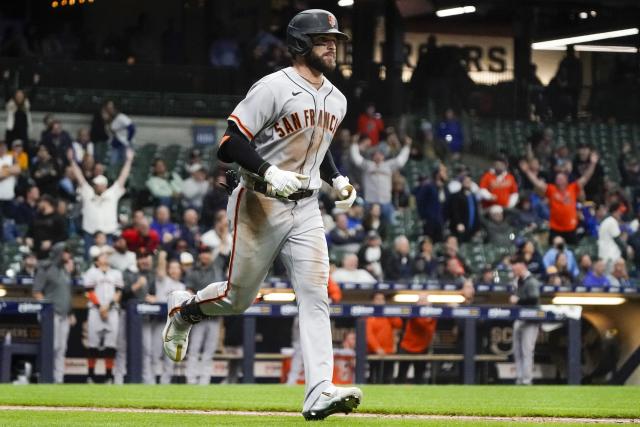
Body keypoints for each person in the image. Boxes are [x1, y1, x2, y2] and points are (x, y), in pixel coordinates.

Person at [161, 9, 361, 420]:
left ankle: (319, 390)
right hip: (259, 200)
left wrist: (337, 179)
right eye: (324, 40)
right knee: (238, 299)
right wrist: (268, 172)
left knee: (315, 296)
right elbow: (228, 143)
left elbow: (317, 151)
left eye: (335, 40)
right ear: (302, 44)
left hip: (306, 206)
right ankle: (185, 310)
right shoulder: (273, 87)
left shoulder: (337, 100)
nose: (332, 46)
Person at [68, 148, 134, 258]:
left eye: (102, 185)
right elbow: (80, 177)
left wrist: (129, 161)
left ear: (105, 186)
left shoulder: (112, 194)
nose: (99, 187)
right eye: (97, 185)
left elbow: (122, 178)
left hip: (108, 233)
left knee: (108, 259)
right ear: (94, 185)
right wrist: (71, 161)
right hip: (90, 233)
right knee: (89, 258)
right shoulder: (88, 192)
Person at [520, 152, 598, 245]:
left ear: (566, 179)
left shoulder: (573, 188)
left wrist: (593, 164)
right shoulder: (551, 189)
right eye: (558, 178)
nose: (559, 179)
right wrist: (527, 171)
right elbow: (537, 183)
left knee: (573, 250)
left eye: (562, 178)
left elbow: (586, 177)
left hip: (571, 228)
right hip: (555, 228)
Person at [32, 243, 75, 384]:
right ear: (58, 253)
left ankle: (58, 379)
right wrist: (46, 308)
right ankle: (46, 376)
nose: (68, 255)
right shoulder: (45, 268)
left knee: (62, 347)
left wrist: (70, 312)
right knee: (53, 346)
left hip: (64, 315)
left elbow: (67, 294)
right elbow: (36, 292)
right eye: (65, 252)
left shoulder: (65, 270)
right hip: (51, 314)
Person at [184, 246, 224, 385]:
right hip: (199, 314)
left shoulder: (217, 268)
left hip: (215, 314)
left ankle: (205, 379)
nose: (205, 256)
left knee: (210, 349)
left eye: (207, 254)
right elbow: (188, 290)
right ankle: (191, 378)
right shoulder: (193, 271)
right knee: (195, 348)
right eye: (203, 254)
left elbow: (224, 250)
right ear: (200, 256)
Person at [83, 249, 124, 383]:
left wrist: (108, 306)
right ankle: (90, 375)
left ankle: (108, 376)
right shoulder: (91, 272)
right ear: (96, 259)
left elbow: (118, 292)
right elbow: (88, 292)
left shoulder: (116, 273)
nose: (106, 257)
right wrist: (100, 307)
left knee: (111, 345)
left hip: (112, 310)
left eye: (107, 255)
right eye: (102, 255)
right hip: (95, 310)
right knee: (93, 344)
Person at [350, 134, 411, 222]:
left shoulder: (389, 165)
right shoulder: (367, 165)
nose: (378, 156)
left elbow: (401, 160)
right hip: (369, 202)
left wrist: (407, 146)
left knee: (392, 224)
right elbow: (356, 158)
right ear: (373, 156)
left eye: (380, 154)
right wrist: (354, 144)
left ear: (383, 156)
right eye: (376, 154)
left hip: (385, 203)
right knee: (365, 223)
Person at [148, 251, 186, 384]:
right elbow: (160, 271)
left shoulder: (182, 286)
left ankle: (166, 383)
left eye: (177, 268)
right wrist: (163, 256)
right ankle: (150, 381)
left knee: (169, 356)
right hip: (159, 323)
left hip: (174, 326)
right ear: (168, 269)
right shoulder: (163, 281)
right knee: (154, 354)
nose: (174, 270)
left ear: (181, 270)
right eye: (172, 267)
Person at [510, 255, 541, 385]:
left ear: (522, 266)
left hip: (531, 319)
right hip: (520, 318)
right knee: (517, 350)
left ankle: (527, 380)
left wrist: (518, 300)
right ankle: (519, 378)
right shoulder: (518, 281)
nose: (514, 271)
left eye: (515, 268)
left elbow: (534, 299)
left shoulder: (531, 280)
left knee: (527, 350)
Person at [396, 294, 437, 384]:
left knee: (419, 376)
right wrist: (427, 317)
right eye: (421, 301)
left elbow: (430, 330)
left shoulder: (433, 315)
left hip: (422, 348)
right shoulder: (413, 313)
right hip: (407, 347)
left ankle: (419, 396)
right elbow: (422, 325)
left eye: (425, 300)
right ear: (417, 303)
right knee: (401, 376)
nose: (423, 303)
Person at [366, 292, 402, 384]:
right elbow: (369, 335)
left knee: (387, 378)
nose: (380, 301)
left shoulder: (388, 315)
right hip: (374, 352)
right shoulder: (369, 316)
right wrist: (377, 348)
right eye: (377, 299)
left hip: (389, 351)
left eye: (382, 299)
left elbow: (398, 324)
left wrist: (391, 313)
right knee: (374, 377)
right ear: (373, 301)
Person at [598, 202, 628, 270]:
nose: (621, 214)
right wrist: (625, 255)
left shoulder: (607, 220)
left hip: (605, 256)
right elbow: (619, 242)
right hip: (611, 258)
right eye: (619, 211)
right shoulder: (612, 221)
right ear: (615, 211)